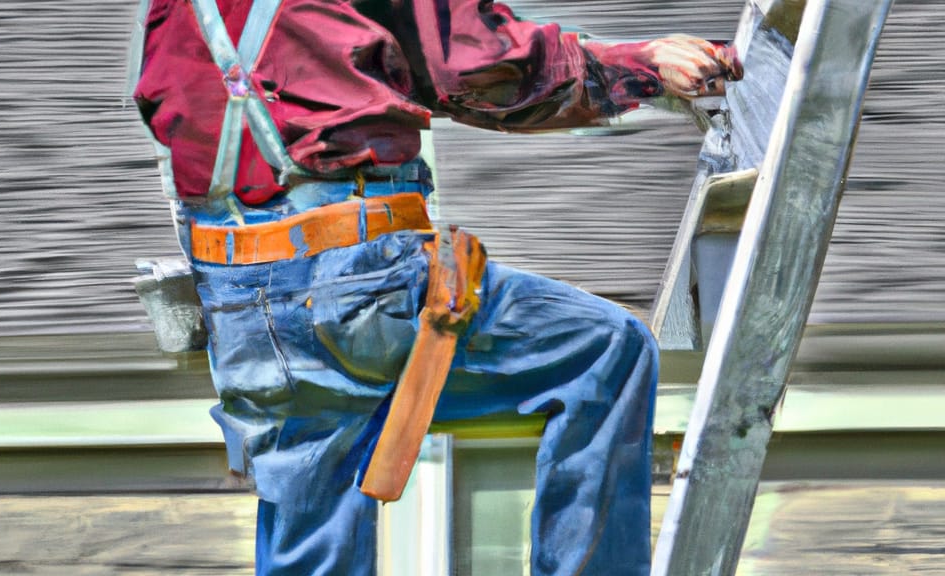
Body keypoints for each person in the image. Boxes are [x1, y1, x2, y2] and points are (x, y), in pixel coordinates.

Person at [131, 0, 741, 574]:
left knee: (311, 522)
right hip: (357, 280)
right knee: (608, 350)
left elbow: (186, 99)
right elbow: (479, 67)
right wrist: (643, 66)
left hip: (239, 297)